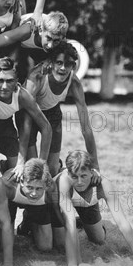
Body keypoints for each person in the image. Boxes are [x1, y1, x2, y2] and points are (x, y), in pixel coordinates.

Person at [55, 150, 133, 266]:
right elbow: (70, 224)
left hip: (85, 203)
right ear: (68, 174)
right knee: (57, 243)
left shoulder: (104, 184)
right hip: (54, 204)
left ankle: (81, 221)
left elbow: (122, 221)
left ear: (92, 172)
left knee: (98, 239)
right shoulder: (64, 181)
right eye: (74, 177)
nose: (80, 182)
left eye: (83, 176)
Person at [24, 41, 99, 175]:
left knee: (51, 170)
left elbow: (86, 128)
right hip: (29, 114)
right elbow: (26, 114)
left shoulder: (74, 83)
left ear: (74, 66)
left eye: (68, 64)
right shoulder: (37, 76)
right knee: (34, 167)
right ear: (51, 62)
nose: (63, 68)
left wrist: (95, 166)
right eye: (59, 63)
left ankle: (56, 166)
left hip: (52, 113)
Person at [0, 57, 53, 175]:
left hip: (3, 123)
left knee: (16, 172)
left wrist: (41, 162)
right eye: (0, 80)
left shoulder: (22, 96)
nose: (4, 86)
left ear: (17, 81)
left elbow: (46, 127)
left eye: (9, 81)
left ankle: (5, 166)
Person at [0, 10, 69, 82]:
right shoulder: (27, 31)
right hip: (13, 36)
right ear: (40, 30)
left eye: (56, 41)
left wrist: (49, 60)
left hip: (29, 47)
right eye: (48, 38)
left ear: (62, 38)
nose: (50, 45)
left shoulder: (61, 42)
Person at [2, 158, 62, 252]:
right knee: (3, 245)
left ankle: (28, 221)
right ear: (21, 182)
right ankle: (4, 164)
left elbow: (56, 213)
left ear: (45, 186)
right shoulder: (8, 184)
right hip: (11, 201)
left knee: (46, 247)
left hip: (38, 205)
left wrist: (63, 233)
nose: (34, 193)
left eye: (38, 188)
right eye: (30, 187)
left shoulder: (51, 188)